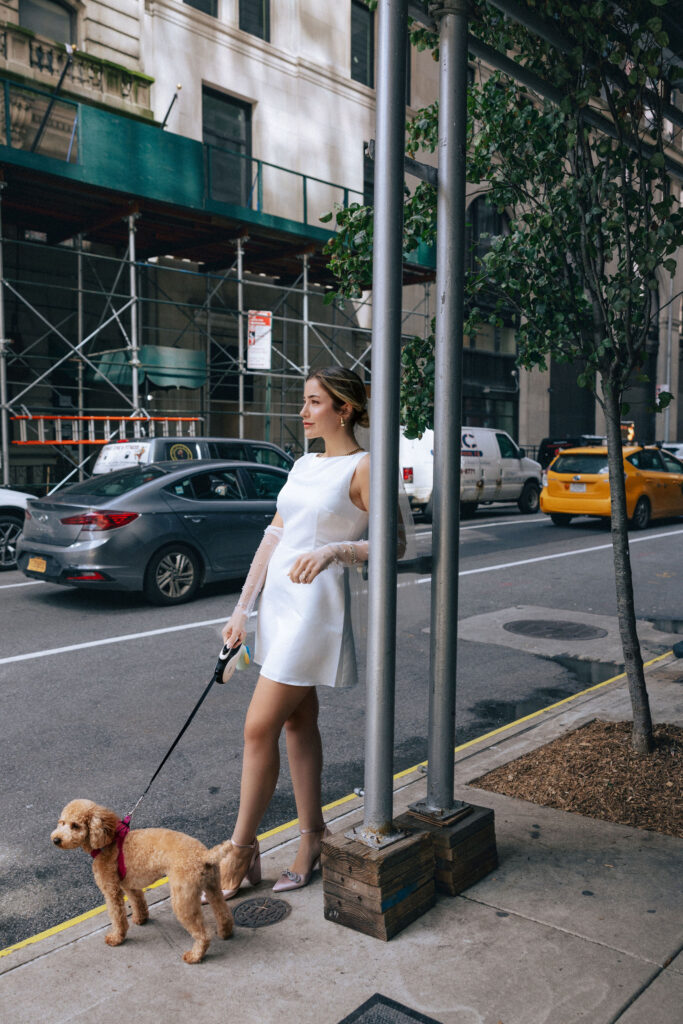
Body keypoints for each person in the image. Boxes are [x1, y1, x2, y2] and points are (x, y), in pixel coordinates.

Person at [216, 366, 370, 898]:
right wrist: (243, 610)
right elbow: (274, 537)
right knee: (296, 725)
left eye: (313, 402)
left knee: (257, 727)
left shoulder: (365, 466)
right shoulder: (304, 463)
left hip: (315, 613)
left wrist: (334, 551)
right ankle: (313, 836)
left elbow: (398, 547)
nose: (302, 412)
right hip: (280, 609)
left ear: (343, 409)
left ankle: (240, 848)